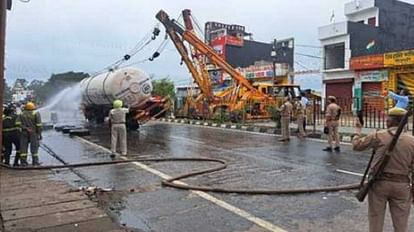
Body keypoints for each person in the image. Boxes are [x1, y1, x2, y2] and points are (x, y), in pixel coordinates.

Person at [352, 107, 414, 232]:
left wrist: (358, 130)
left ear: (388, 121)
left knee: (376, 219)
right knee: (401, 223)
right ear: (405, 123)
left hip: (379, 184)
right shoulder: (412, 141)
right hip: (402, 185)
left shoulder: (378, 136)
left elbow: (357, 146)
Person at [18, 102, 42, 166]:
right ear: (33, 108)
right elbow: (39, 125)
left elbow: (17, 123)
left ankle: (23, 162)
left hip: (24, 133)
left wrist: (25, 128)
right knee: (34, 147)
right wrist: (39, 134)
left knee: (23, 147)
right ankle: (35, 162)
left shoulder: (21, 114)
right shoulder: (36, 113)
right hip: (34, 133)